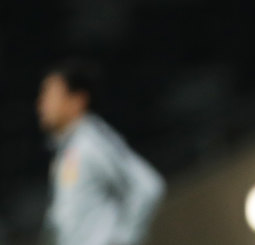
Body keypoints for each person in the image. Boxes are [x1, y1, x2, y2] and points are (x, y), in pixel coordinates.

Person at [37, 60, 166, 245]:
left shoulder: (92, 140)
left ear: (77, 100)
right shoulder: (68, 149)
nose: (42, 103)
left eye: (50, 94)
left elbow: (148, 186)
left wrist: (122, 239)